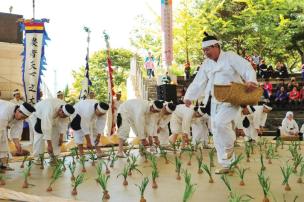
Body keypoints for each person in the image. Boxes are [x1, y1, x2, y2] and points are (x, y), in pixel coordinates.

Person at [183, 32, 257, 174]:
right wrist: (189, 96)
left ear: (216, 46)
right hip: (214, 101)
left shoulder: (230, 57)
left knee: (220, 123)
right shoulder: (206, 64)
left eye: (208, 49)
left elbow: (246, 67)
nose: (206, 53)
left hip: (232, 99)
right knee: (215, 130)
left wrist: (251, 81)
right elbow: (199, 82)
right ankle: (226, 164)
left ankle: (229, 150)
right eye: (204, 50)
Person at [32, 98, 75, 163]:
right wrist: (49, 145)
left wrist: (61, 136)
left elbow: (64, 123)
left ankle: (54, 156)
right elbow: (46, 127)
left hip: (53, 118)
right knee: (40, 136)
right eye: (63, 115)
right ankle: (38, 158)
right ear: (61, 110)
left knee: (56, 135)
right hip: (39, 116)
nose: (63, 117)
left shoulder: (65, 112)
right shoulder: (49, 109)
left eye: (65, 116)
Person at [0, 100, 35, 171]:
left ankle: (3, 165)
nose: (22, 119)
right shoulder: (6, 112)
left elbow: (16, 133)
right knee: (2, 141)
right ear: (18, 110)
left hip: (2, 124)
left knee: (4, 143)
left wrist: (17, 145)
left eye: (24, 118)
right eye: (22, 117)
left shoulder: (20, 116)